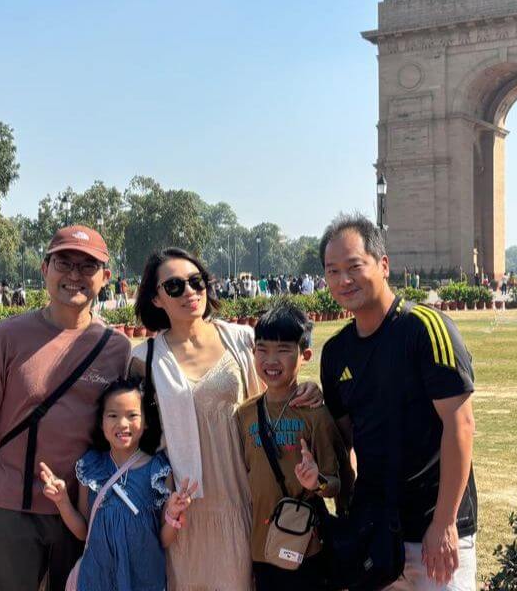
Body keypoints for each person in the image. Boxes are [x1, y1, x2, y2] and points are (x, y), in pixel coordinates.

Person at [128, 247, 324, 590]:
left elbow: (277, 390)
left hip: (244, 496)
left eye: (195, 281)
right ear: (156, 299)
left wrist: (306, 387)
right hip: (185, 509)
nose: (189, 292)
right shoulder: (142, 359)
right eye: (174, 286)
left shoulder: (241, 340)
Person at [0, 225, 133, 591]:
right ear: (44, 269)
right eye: (63, 263)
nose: (74, 276)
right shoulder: (6, 338)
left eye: (87, 267)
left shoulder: (117, 349)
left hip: (82, 511)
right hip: (12, 507)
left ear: (106, 277)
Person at [319, 213, 478, 590]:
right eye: (332, 271)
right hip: (374, 531)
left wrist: (445, 522)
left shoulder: (425, 328)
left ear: (383, 265)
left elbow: (461, 425)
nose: (343, 280)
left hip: (433, 530)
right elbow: (346, 443)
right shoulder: (335, 353)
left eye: (354, 266)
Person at [38, 376, 196, 591]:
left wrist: (174, 514)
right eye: (113, 415)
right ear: (101, 422)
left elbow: (163, 539)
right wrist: (62, 501)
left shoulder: (158, 471)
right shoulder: (91, 467)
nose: (122, 423)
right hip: (97, 579)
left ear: (146, 421)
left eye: (132, 415)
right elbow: (84, 532)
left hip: (144, 579)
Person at [235, 299, 350, 590]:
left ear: (305, 355)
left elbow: (337, 483)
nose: (271, 361)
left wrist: (317, 482)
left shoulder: (315, 414)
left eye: (284, 350)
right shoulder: (244, 414)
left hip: (306, 548)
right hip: (261, 550)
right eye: (262, 349)